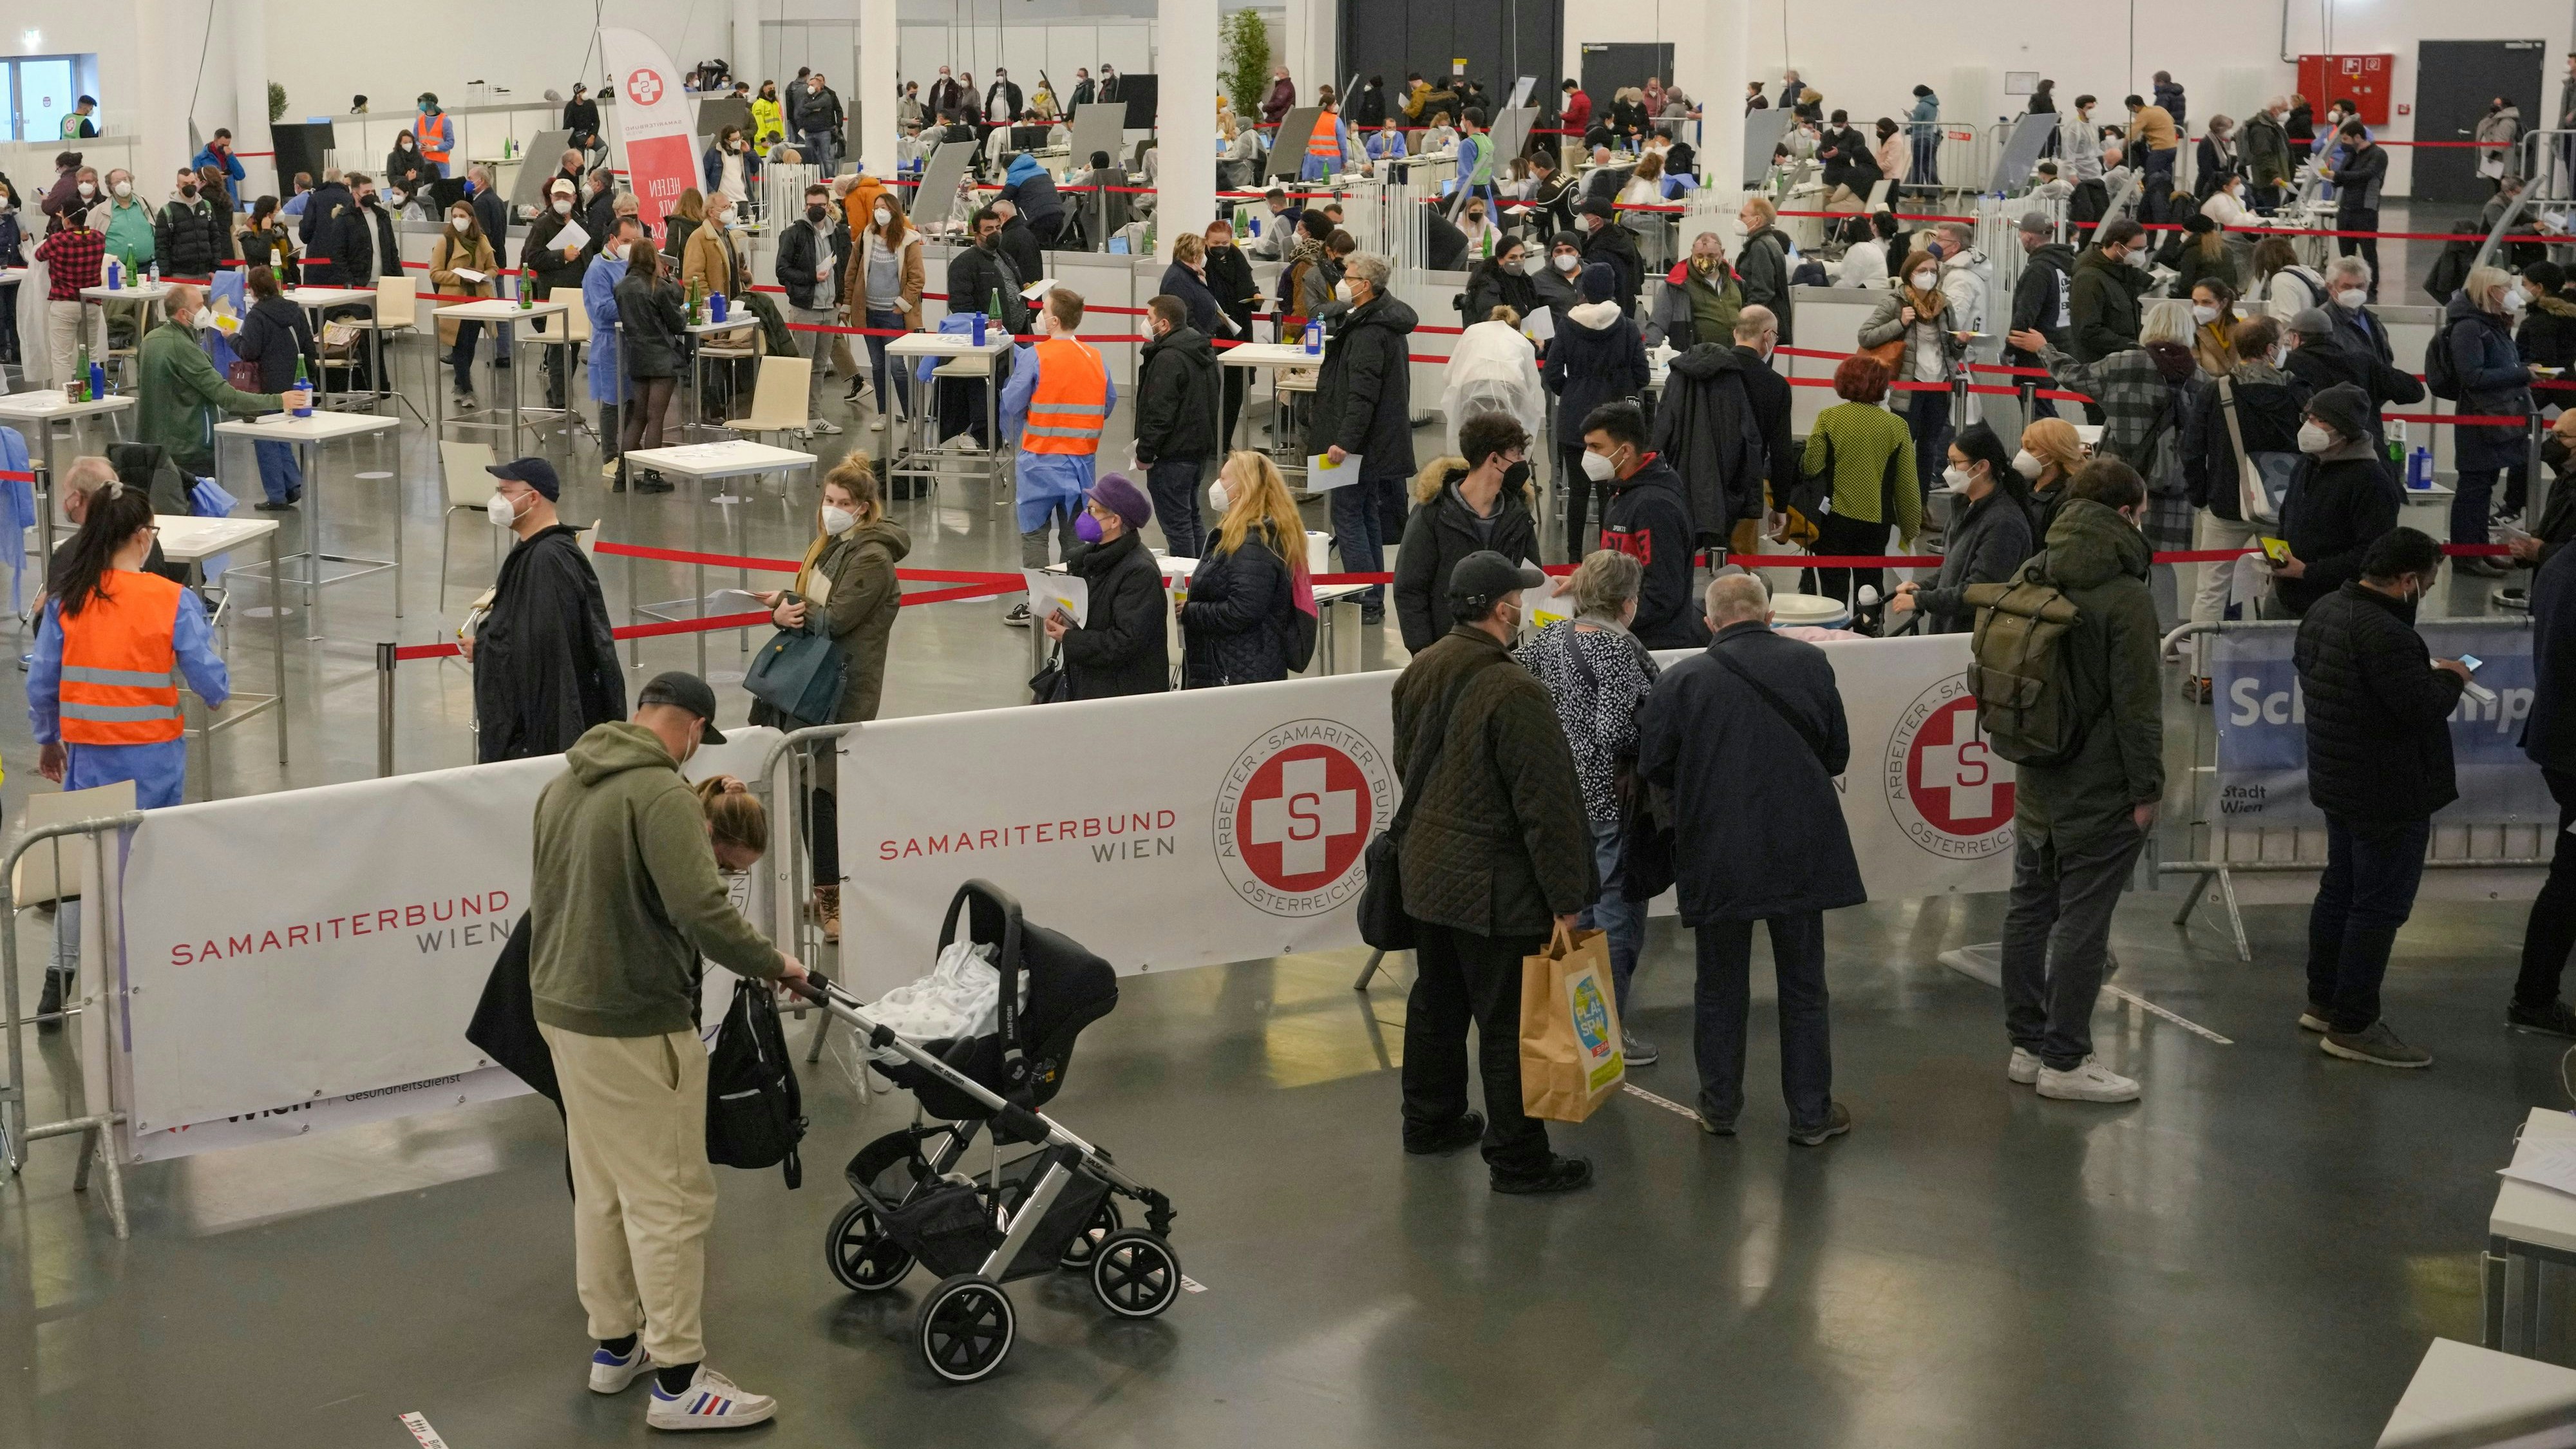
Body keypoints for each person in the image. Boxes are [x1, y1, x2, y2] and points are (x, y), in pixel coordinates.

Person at [527, 670, 802, 1431]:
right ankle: (680, 1381)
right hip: (634, 1020)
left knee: (603, 1186)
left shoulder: (564, 785)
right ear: (692, 727)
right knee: (671, 1198)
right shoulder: (660, 795)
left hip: (562, 1012)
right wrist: (775, 963)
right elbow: (701, 908)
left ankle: (616, 1345)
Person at [1390, 549, 1596, 1193]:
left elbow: (1408, 764)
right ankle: (1518, 1159)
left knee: (1436, 1004)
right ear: (1504, 610)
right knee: (1509, 1025)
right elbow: (1546, 808)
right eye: (1519, 598)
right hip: (1495, 891)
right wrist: (1567, 896)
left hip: (1425, 873)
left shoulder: (1419, 669)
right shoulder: (1517, 691)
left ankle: (1429, 1121)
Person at [1636, 571, 1861, 1142]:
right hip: (1800, 848)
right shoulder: (1811, 665)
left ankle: (1719, 1107)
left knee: (1719, 986)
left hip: (1717, 851)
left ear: (1709, 623)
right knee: (1804, 985)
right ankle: (1811, 1115)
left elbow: (1654, 765)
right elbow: (1836, 752)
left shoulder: (1682, 680)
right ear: (1769, 616)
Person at [1988, 459, 2165, 1103]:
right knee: (2084, 922)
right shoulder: (2126, 597)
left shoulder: (2034, 571)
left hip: (2037, 771)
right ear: (2124, 514)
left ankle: (2027, 1045)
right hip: (2100, 786)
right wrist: (2147, 789)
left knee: (2029, 910)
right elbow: (2137, 706)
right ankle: (2066, 1060)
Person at [25, 480, 232, 1030]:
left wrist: (48, 738)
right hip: (154, 759)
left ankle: (55, 990)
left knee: (84, 868)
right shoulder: (170, 598)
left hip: (89, 758)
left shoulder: (69, 598)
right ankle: (145, 978)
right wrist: (216, 692)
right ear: (142, 536)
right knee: (148, 865)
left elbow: (41, 681)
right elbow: (207, 675)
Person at [2291, 527, 2465, 1068]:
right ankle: (2355, 1024)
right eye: (2427, 585)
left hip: (2338, 779)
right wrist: (2453, 680)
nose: (2426, 593)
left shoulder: (2324, 610)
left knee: (2339, 891)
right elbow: (2419, 707)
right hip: (2388, 790)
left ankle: (2324, 1002)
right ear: (2407, 579)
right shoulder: (2387, 633)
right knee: (2378, 907)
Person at [742, 459, 906, 938]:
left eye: (843, 503)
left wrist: (785, 605)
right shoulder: (832, 546)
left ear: (864, 508)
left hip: (839, 691)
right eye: (828, 500)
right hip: (808, 681)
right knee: (801, 787)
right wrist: (784, 607)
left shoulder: (871, 558)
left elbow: (836, 620)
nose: (831, 509)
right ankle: (821, 893)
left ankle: (832, 902)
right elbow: (814, 607)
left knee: (820, 793)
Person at [1520, 550, 1661, 1061]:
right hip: (1609, 801)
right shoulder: (1617, 650)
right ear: (1627, 602)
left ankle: (1575, 1025)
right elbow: (1615, 730)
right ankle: (1606, 1033)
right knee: (1616, 916)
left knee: (1574, 914)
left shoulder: (1549, 639)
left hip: (1564, 797)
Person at [458, 457, 625, 762]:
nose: (497, 500)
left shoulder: (547, 561)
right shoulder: (540, 551)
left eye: (505, 491)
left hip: (537, 732)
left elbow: (543, 651)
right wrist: (485, 644)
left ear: (533, 498)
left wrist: (485, 650)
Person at [2179, 315, 2304, 638]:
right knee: (2281, 583)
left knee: (2211, 589)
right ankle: (2274, 656)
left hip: (2225, 506)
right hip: (2279, 509)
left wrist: (2201, 497)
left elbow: (2192, 450)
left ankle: (2203, 662)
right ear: (2270, 349)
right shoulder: (2296, 391)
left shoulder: (2214, 391)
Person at [1310, 252, 1418, 625]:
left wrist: (1344, 442)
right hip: (1375, 442)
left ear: (1365, 286)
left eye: (1350, 276)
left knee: (1348, 516)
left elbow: (1362, 395)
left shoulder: (1370, 331)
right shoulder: (1378, 320)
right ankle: (1371, 595)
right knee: (1366, 512)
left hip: (1357, 443)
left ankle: (1364, 598)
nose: (1344, 281)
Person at [1004, 287, 1116, 607]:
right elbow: (1108, 403)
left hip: (1039, 463)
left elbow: (1012, 403)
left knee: (1034, 534)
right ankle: (1072, 604)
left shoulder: (1036, 356)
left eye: (1043, 310)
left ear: (1054, 321)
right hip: (1080, 467)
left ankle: (1038, 605)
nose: (1039, 315)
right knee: (1075, 537)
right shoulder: (1095, 358)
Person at [1395, 412, 1544, 650]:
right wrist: (1424, 653)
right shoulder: (1434, 513)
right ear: (1494, 459)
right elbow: (1410, 589)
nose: (1522, 462)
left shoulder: (1518, 515)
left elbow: (1532, 579)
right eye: (1517, 454)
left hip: (1502, 652)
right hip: (1446, 650)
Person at [131, 285, 302, 477]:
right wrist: (280, 400)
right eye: (199, 306)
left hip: (152, 450)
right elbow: (227, 397)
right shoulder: (184, 349)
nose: (206, 311)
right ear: (183, 314)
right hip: (188, 453)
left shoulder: (150, 340)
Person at [1540, 261, 1650, 558]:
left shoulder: (1568, 325)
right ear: (1612, 289)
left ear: (1584, 290)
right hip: (1615, 420)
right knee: (1610, 493)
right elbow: (1642, 375)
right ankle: (1607, 556)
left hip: (1575, 417)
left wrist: (1572, 390)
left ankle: (1573, 558)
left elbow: (1551, 373)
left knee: (1577, 491)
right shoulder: (1626, 326)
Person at [1580, 400, 1707, 649]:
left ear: (1625, 451)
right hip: (1622, 635)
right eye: (1587, 446)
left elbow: (1663, 594)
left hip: (1653, 645)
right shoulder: (1621, 493)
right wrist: (1581, 587)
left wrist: (1606, 620)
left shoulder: (1655, 506)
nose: (1588, 455)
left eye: (1596, 447)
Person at [1799, 354, 1922, 607]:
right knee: (1871, 590)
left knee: (1833, 592)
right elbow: (1907, 485)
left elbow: (1812, 467)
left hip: (1832, 519)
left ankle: (1836, 630)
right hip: (1876, 523)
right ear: (1881, 387)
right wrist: (1910, 529)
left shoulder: (1828, 418)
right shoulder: (1897, 426)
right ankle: (1868, 629)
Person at [2271, 381, 2401, 617]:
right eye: (2308, 417)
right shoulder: (2305, 465)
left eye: (2319, 420)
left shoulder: (2372, 481)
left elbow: (2372, 553)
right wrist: (2277, 558)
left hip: (2336, 607)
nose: (2309, 426)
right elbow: (2286, 519)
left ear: (2344, 430)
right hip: (2287, 595)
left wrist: (2307, 572)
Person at [1179, 451, 1307, 688]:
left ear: (1243, 488)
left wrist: (1191, 611)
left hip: (1237, 669)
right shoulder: (1243, 535)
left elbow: (1243, 610)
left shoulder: (1253, 541)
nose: (1217, 485)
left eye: (1223, 478)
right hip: (1235, 663)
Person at [1891, 422, 2034, 633]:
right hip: (1949, 632)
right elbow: (1952, 570)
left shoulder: (2004, 524)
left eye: (1955, 463)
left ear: (1982, 466)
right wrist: (1922, 587)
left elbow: (1980, 591)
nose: (1949, 471)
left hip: (1974, 639)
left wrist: (1922, 600)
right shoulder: (1964, 506)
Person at [1859, 249, 1973, 506]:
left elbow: (1952, 351)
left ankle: (1920, 505)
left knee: (1929, 447)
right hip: (1909, 386)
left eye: (1933, 271)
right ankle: (1888, 503)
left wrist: (1960, 343)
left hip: (1939, 384)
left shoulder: (1944, 305)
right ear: (1909, 275)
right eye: (1923, 271)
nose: (1929, 276)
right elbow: (1865, 336)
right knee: (1900, 446)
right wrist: (1900, 323)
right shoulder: (1895, 303)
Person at [1037, 475, 1167, 698]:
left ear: (1114, 521)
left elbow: (1125, 643)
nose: (1084, 516)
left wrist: (1069, 638)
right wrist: (1066, 619)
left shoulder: (1139, 573)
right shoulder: (1090, 560)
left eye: (1092, 511)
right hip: (1091, 685)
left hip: (1122, 695)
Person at [2446, 267, 2537, 576]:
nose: (2511, 293)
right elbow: (2472, 376)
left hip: (2496, 417)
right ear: (2489, 291)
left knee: (2484, 487)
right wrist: (2522, 374)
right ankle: (2466, 556)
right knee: (2473, 489)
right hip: (2480, 419)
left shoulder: (2492, 324)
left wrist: (2522, 371)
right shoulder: (2469, 327)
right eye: (2505, 287)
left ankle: (2480, 550)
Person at [1130, 292, 1224, 556]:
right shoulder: (1201, 351)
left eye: (1149, 317)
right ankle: (1201, 571)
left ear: (1164, 324)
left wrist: (1144, 453)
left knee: (1177, 526)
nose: (1146, 323)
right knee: (1191, 518)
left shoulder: (1168, 359)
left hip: (1171, 457)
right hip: (1195, 452)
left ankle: (1186, 578)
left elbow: (1159, 413)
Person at [229, 266, 319, 510]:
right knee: (282, 436)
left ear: (252, 290)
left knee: (266, 438)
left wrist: (231, 337)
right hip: (295, 383)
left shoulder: (256, 317)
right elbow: (308, 346)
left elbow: (248, 351)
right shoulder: (295, 311)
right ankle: (293, 484)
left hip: (267, 385)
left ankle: (277, 495)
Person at [2281, 305, 2418, 460]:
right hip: (2371, 455)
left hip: (2322, 457)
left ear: (2296, 338)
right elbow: (2414, 391)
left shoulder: (2290, 365)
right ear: (2331, 335)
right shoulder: (2362, 362)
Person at [841, 190, 923, 433]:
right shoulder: (865, 236)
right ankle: (883, 413)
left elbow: (917, 278)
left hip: (893, 315)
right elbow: (852, 271)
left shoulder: (908, 240)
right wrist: (847, 304)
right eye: (876, 207)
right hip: (869, 313)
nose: (879, 212)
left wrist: (902, 305)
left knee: (897, 366)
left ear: (894, 211)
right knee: (877, 366)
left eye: (884, 208)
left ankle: (911, 415)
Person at [774, 182, 849, 439]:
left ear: (829, 206)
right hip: (805, 308)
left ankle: (815, 416)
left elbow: (842, 268)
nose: (816, 209)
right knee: (802, 366)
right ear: (805, 206)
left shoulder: (835, 233)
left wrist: (840, 299)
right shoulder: (793, 233)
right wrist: (811, 277)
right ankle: (798, 419)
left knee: (819, 367)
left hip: (830, 309)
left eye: (821, 205)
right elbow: (782, 271)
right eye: (811, 205)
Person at [613, 242, 686, 494]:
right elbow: (677, 323)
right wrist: (671, 283)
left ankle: (622, 476)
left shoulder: (621, 287)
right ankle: (652, 476)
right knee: (656, 418)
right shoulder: (659, 288)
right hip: (662, 359)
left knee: (638, 417)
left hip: (637, 358)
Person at [428, 198, 501, 412]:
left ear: (471, 219)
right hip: (454, 303)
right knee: (459, 345)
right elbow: (435, 273)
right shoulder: (445, 241)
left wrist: (482, 275)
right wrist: (460, 277)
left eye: (463, 216)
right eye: (455, 216)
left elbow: (494, 268)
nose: (458, 220)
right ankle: (468, 390)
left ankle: (460, 384)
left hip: (477, 302)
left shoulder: (482, 240)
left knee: (469, 345)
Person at [2067, 218, 2150, 363]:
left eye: (2144, 249)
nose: (2141, 254)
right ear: (2117, 246)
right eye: (2137, 249)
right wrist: (2134, 347)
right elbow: (2088, 331)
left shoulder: (2121, 273)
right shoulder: (2089, 278)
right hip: (2099, 366)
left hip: (2121, 362)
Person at [2321, 123, 2387, 299]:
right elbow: (2342, 178)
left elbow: (2366, 175)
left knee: (2368, 252)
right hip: (2346, 209)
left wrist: (2336, 175)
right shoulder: (2351, 155)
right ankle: (2347, 286)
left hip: (2366, 210)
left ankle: (2370, 289)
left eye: (2346, 139)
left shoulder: (2378, 154)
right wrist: (2331, 175)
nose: (2343, 143)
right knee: (2346, 254)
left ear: (2358, 137)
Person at [1645, 229, 1740, 350]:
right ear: (1692, 253)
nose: (1705, 260)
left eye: (1711, 256)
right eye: (1699, 256)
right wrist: (1654, 353)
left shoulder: (1737, 284)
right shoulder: (1675, 287)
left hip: (1733, 356)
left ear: (1722, 253)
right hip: (1694, 358)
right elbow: (1657, 325)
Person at [2016, 416, 2085, 541]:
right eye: (2023, 447)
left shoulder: (2070, 498)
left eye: (2030, 449)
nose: (2022, 454)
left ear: (2053, 454)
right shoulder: (2023, 486)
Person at [153, 167, 231, 277]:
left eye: (193, 182)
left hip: (205, 272)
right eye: (185, 184)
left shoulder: (207, 206)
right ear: (178, 186)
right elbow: (161, 245)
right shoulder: (167, 211)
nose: (190, 186)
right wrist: (165, 274)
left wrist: (215, 268)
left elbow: (215, 238)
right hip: (179, 273)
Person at [1462, 236, 1540, 331]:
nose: (1519, 261)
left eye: (1522, 256)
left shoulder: (1525, 280)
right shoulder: (1487, 283)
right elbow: (1493, 317)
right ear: (1500, 260)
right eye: (1513, 257)